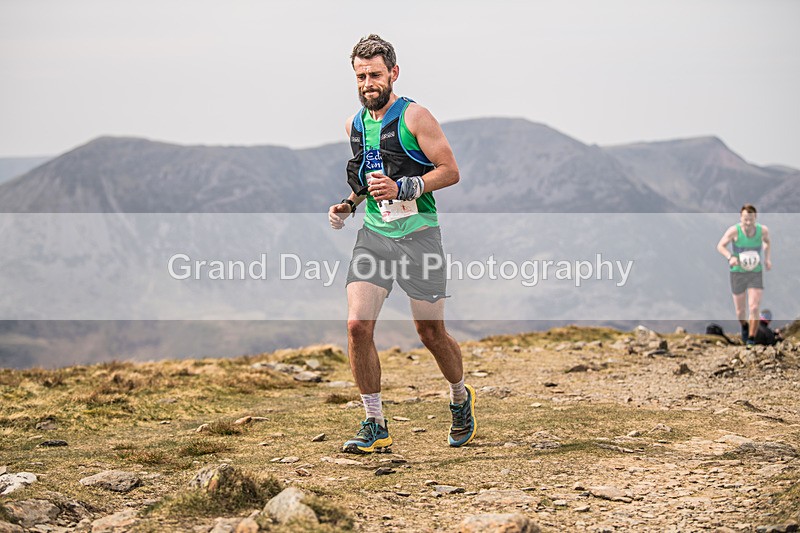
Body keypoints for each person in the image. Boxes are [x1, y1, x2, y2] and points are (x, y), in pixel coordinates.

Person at [328, 34, 476, 453]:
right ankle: (375, 422)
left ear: (393, 73)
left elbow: (450, 171)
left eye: (375, 74)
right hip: (375, 237)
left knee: (430, 332)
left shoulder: (416, 117)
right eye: (360, 76)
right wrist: (347, 205)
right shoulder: (354, 125)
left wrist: (407, 186)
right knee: (357, 327)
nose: (367, 83)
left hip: (419, 236)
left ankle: (460, 398)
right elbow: (366, 178)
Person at [716, 205, 772, 345]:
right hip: (738, 273)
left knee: (754, 306)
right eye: (745, 219)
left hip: (755, 272)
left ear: (755, 218)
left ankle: (751, 339)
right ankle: (744, 325)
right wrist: (730, 257)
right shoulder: (734, 231)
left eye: (751, 219)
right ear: (741, 218)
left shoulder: (762, 230)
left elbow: (767, 242)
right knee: (740, 311)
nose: (748, 222)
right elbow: (720, 246)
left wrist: (767, 258)